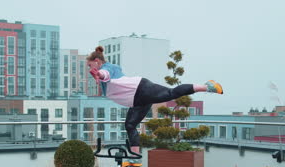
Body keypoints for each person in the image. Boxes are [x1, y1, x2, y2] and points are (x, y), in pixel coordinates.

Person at [87, 46, 223, 161]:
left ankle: (207, 87)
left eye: (90, 65)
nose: (89, 68)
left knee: (171, 93)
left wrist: (100, 74)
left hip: (141, 89)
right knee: (130, 125)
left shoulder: (108, 67)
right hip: (136, 100)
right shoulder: (106, 72)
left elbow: (106, 73)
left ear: (97, 61)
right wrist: (100, 75)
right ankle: (134, 157)